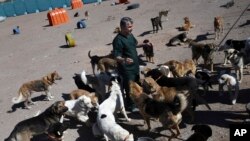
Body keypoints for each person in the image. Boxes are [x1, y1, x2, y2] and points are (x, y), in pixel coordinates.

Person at [112, 17, 140, 112]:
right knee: (129, 88)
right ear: (122, 27)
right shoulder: (118, 40)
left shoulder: (130, 35)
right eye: (129, 27)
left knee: (137, 86)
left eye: (131, 26)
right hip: (127, 70)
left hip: (135, 67)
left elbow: (134, 45)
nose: (131, 28)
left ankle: (136, 101)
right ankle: (131, 106)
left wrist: (144, 45)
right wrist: (124, 60)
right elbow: (116, 56)